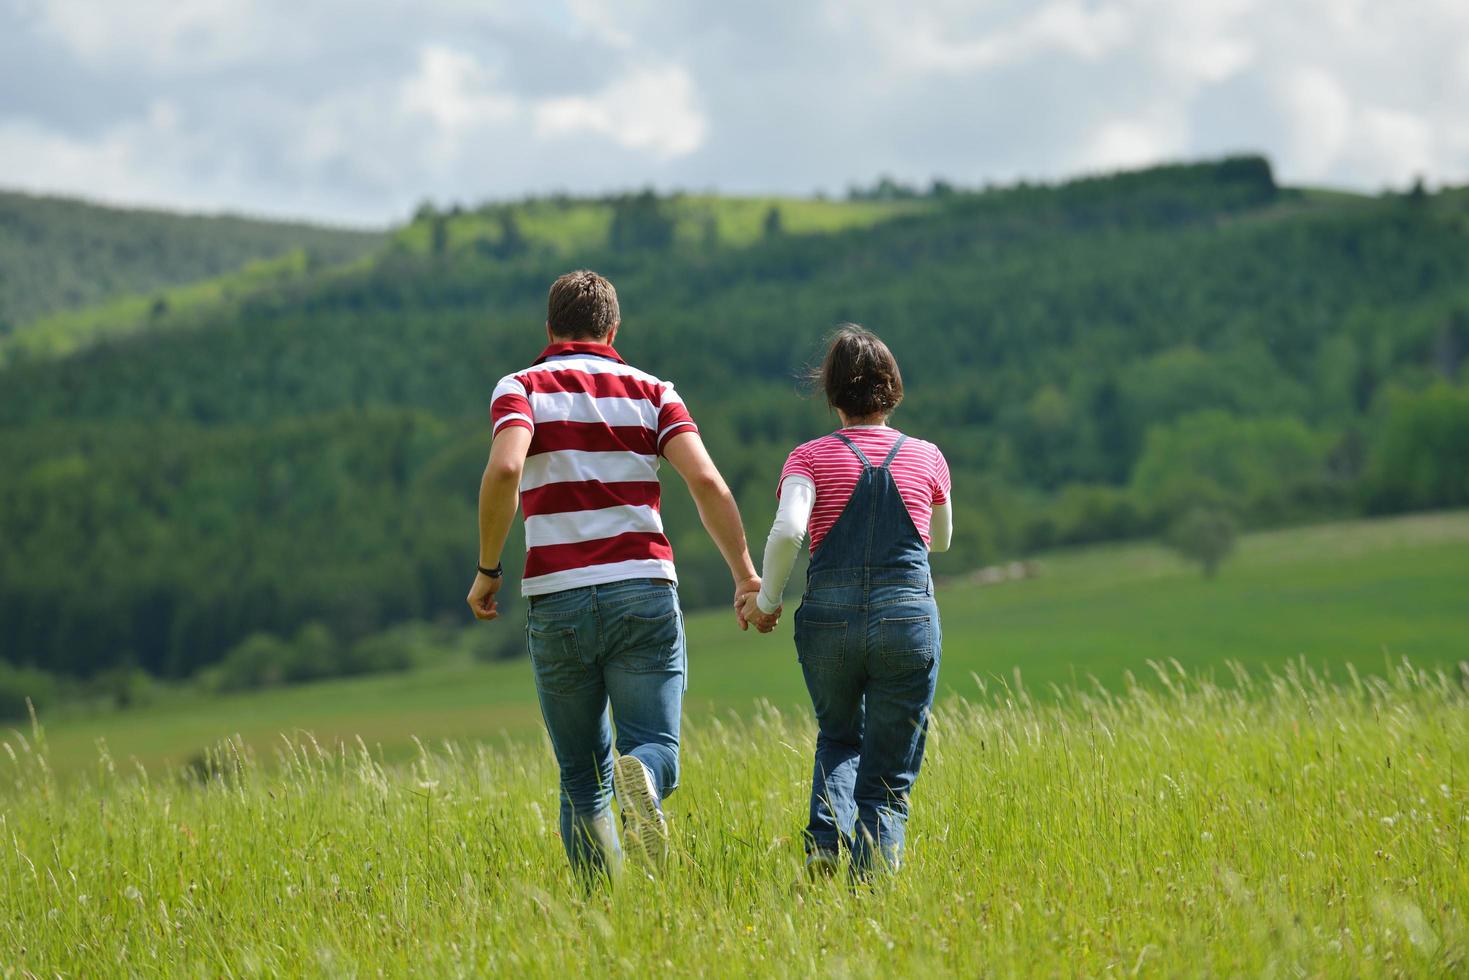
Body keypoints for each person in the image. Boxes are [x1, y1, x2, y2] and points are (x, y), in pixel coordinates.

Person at [468, 270, 760, 881]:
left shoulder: (519, 388)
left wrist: (488, 568)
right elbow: (707, 481)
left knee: (581, 777)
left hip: (556, 598)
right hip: (642, 590)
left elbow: (503, 473)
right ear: (614, 328)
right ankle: (647, 780)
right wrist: (744, 574)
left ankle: (602, 917)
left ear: (548, 328)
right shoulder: (655, 393)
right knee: (656, 746)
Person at [740, 325, 952, 877]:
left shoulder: (809, 457)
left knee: (838, 736)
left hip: (829, 619)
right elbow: (943, 540)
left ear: (831, 394)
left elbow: (788, 533)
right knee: (886, 776)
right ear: (893, 388)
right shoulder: (927, 457)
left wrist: (766, 601)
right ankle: (873, 887)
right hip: (907, 615)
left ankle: (828, 843)